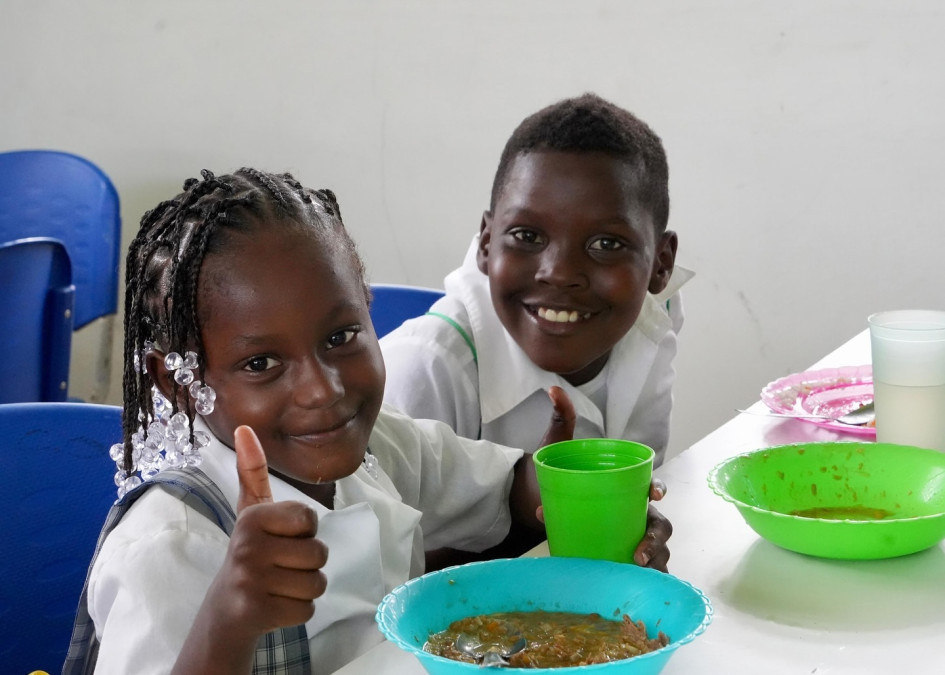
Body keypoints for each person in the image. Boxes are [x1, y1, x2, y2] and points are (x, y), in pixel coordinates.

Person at [63, 168, 669, 674]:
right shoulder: (171, 545)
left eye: (342, 335)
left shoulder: (376, 447)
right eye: (261, 363)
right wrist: (231, 615)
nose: (324, 390)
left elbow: (504, 490)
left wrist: (573, 496)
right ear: (178, 381)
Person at [381, 92, 692, 466]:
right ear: (486, 241)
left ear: (661, 265)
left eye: (605, 244)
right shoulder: (423, 374)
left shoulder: (656, 317)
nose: (558, 273)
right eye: (527, 237)